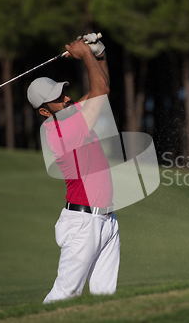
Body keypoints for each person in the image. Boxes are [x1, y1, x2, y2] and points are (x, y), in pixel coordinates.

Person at [26, 33, 120, 303]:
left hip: (106, 219)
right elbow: (102, 91)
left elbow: (100, 87)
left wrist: (99, 55)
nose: (66, 98)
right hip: (83, 223)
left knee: (105, 300)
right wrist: (86, 55)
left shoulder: (71, 115)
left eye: (64, 92)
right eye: (58, 98)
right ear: (44, 111)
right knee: (65, 296)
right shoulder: (60, 129)